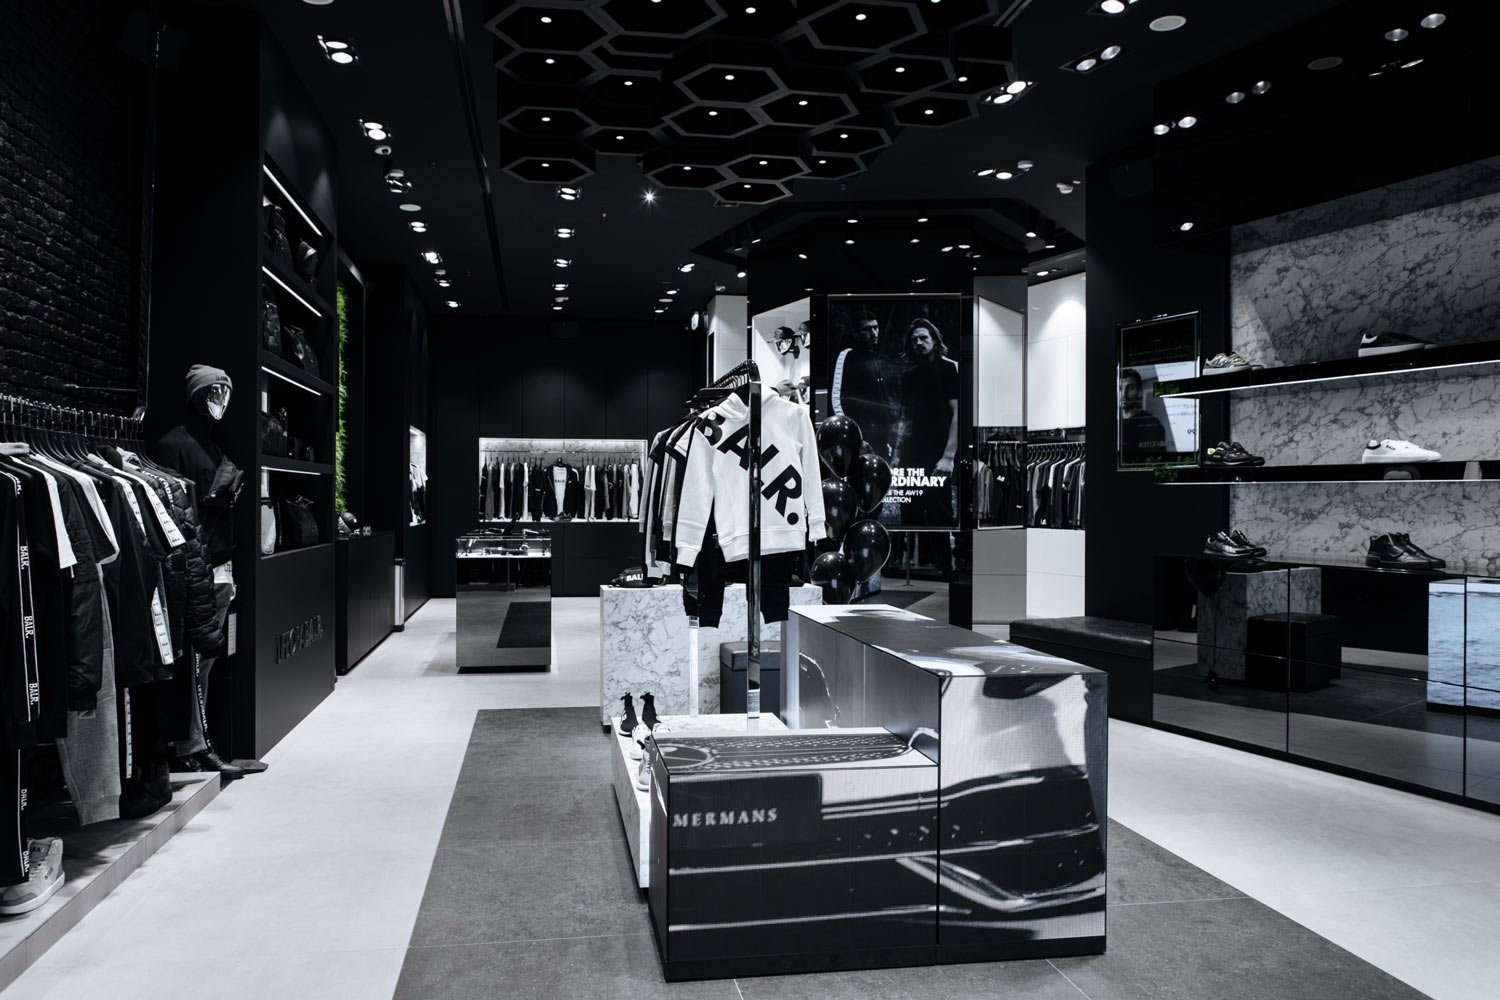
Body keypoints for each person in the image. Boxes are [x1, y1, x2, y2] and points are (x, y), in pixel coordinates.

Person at [896, 319, 961, 575]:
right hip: (912, 452)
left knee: (939, 509)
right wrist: (898, 455)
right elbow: (904, 417)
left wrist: (949, 455)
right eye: (914, 339)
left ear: (934, 339)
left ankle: (946, 567)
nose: (918, 343)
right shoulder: (908, 376)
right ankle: (911, 567)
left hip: (938, 452)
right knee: (909, 508)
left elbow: (957, 414)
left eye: (923, 337)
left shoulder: (948, 369)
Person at [830, 311, 897, 458]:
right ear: (855, 332)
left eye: (875, 328)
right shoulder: (848, 355)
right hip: (860, 442)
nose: (873, 333)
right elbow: (836, 399)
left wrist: (888, 440)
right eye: (866, 329)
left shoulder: (876, 359)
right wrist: (856, 438)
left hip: (880, 442)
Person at [1118, 368, 1166, 457]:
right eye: (1120, 388)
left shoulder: (1153, 424)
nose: (1123, 394)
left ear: (1139, 392)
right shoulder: (1114, 425)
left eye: (1130, 388)